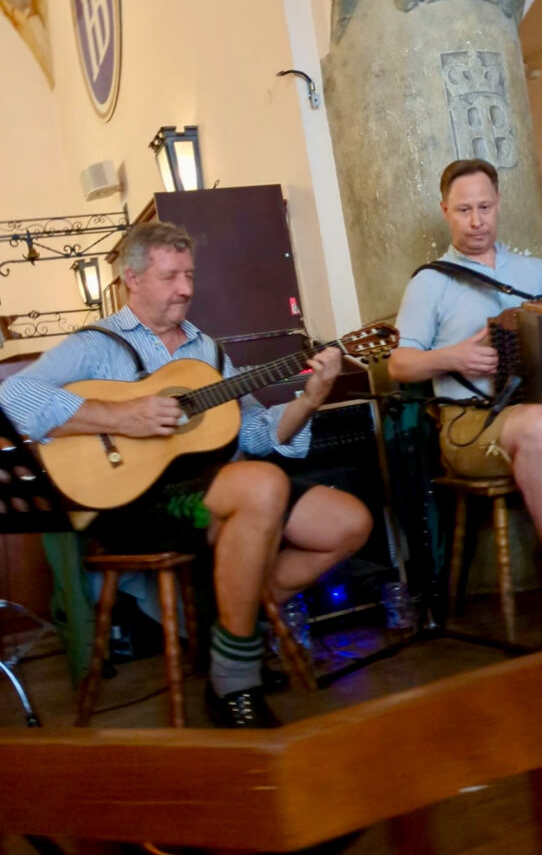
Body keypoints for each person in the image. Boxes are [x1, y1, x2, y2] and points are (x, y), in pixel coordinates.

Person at [0, 221, 372, 728]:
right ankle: (233, 677)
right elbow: (11, 397)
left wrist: (310, 398)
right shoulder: (95, 344)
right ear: (132, 278)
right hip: (135, 502)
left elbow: (259, 435)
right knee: (260, 485)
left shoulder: (209, 352)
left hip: (216, 490)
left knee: (348, 521)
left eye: (190, 275)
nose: (186, 289)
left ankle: (230, 629)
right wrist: (119, 417)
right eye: (171, 276)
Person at [387, 158, 542, 627]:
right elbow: (398, 364)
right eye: (464, 209)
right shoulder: (430, 282)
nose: (476, 221)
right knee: (539, 423)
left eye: (485, 207)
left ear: (498, 205)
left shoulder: (537, 272)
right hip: (468, 425)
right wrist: (451, 357)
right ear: (445, 211)